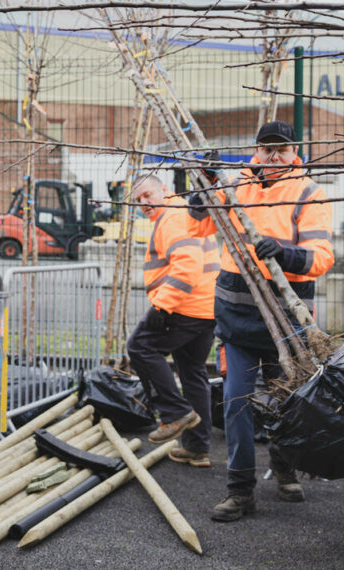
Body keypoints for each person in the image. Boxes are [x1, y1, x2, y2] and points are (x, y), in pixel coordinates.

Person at [185, 121, 334, 522]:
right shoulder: (236, 186)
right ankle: (240, 491)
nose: (273, 157)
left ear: (293, 152)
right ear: (257, 150)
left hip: (287, 323)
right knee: (236, 401)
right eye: (267, 149)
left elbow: (321, 256)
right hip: (237, 320)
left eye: (281, 150)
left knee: (286, 402)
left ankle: (284, 467)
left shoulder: (309, 192)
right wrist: (204, 178)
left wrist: (284, 252)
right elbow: (198, 219)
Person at [125, 173, 220, 467]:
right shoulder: (179, 213)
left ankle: (174, 414)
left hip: (185, 306)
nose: (144, 203)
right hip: (205, 307)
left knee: (139, 347)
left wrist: (162, 307)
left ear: (164, 191)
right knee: (192, 372)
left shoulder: (173, 217)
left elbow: (188, 267)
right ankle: (197, 448)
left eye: (148, 195)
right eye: (138, 200)